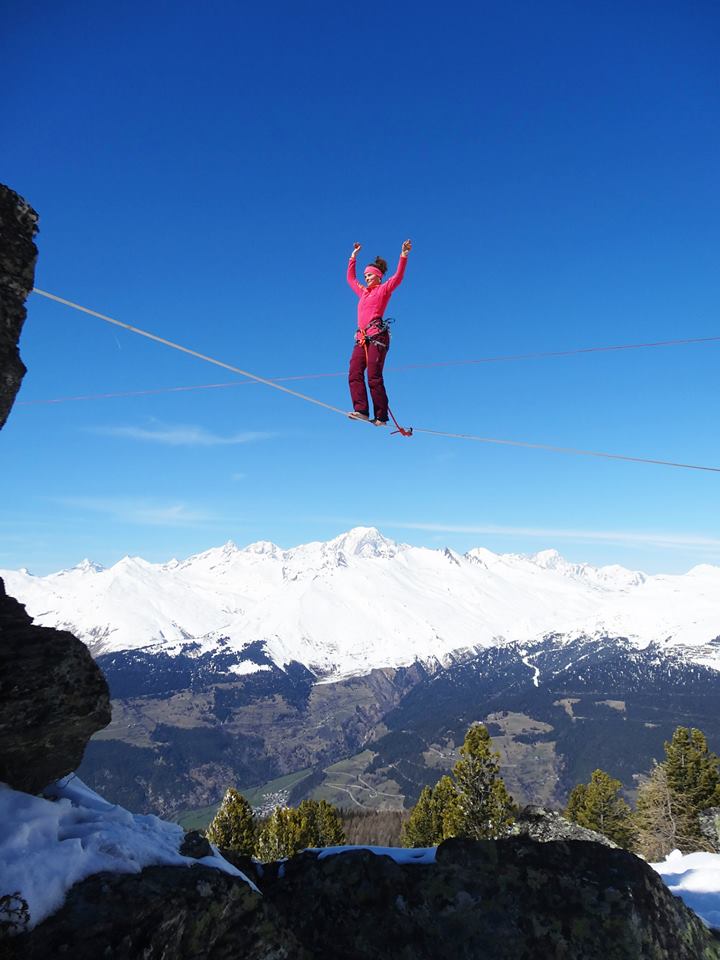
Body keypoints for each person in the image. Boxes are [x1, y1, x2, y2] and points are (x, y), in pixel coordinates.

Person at [346, 238, 412, 425]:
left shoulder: (383, 290)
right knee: (354, 372)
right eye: (365, 276)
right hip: (362, 338)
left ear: (378, 276)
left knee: (373, 375)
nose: (365, 278)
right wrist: (353, 257)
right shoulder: (363, 292)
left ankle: (381, 416)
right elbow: (350, 279)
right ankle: (362, 410)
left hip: (377, 337)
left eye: (369, 275)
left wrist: (403, 255)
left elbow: (398, 277)